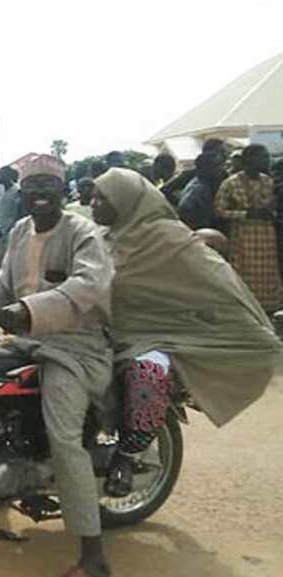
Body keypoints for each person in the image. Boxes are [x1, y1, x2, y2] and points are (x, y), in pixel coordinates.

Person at [0, 154, 115, 577]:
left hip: (74, 348)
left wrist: (26, 310)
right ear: (21, 191)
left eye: (48, 184)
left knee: (63, 436)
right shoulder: (21, 230)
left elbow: (89, 284)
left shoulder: (81, 232)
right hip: (27, 341)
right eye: (32, 185)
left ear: (63, 188)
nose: (39, 191)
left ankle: (93, 557)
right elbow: (1, 285)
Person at [91, 168, 281, 498]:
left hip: (156, 336)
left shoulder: (169, 239)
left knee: (148, 372)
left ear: (125, 202)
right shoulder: (98, 237)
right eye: (92, 197)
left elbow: (218, 281)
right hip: (99, 333)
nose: (93, 204)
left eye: (101, 198)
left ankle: (127, 456)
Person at [214, 144, 281, 311]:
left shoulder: (268, 181)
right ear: (249, 160)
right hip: (244, 238)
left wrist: (270, 213)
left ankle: (269, 312)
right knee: (245, 277)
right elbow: (219, 211)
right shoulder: (231, 183)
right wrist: (246, 214)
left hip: (266, 237)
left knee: (268, 278)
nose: (267, 160)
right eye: (263, 157)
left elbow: (273, 208)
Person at [176, 152, 223, 231]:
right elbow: (185, 209)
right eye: (216, 166)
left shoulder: (203, 184)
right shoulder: (199, 188)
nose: (220, 170)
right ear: (205, 168)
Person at [0, 166, 24, 240]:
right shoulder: (1, 190)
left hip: (11, 229)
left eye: (1, 174)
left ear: (7, 176)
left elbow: (17, 213)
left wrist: (9, 228)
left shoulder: (17, 191)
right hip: (0, 228)